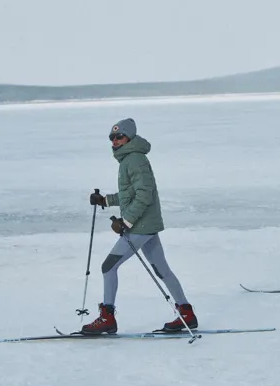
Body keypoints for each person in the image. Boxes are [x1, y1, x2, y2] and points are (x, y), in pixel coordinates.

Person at [83, 118, 197, 334]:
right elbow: (131, 195)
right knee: (162, 270)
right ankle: (186, 313)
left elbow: (145, 195)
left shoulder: (134, 159)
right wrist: (106, 200)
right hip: (146, 225)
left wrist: (126, 222)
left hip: (140, 226)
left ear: (129, 137)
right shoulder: (129, 159)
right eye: (112, 137)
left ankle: (107, 317)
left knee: (109, 267)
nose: (115, 141)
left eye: (120, 136)